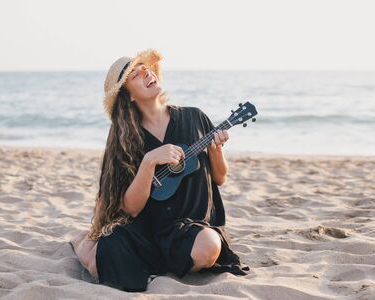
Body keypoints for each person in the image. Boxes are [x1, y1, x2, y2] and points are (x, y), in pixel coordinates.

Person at [69, 49, 249, 292]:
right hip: (145, 230)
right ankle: (84, 243)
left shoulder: (194, 117)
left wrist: (216, 151)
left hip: (190, 227)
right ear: (129, 96)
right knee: (107, 251)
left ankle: (155, 265)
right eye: (135, 74)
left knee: (209, 246)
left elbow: (220, 177)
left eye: (146, 68)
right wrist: (149, 162)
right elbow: (130, 207)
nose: (146, 72)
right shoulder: (124, 137)